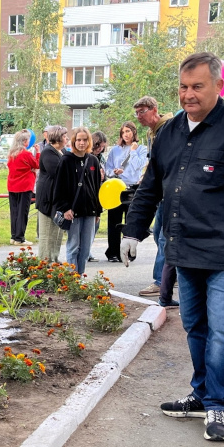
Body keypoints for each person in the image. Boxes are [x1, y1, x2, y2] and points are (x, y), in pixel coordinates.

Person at [121, 52, 224, 442]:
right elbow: (151, 187)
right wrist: (132, 231)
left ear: (218, 86)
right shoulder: (170, 132)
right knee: (195, 327)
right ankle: (201, 394)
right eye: (183, 87)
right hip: (185, 251)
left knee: (223, 331)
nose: (188, 94)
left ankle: (217, 405)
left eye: (197, 86)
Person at [133, 96, 173, 297]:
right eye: (136, 113)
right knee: (158, 234)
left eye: (142, 111)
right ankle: (170, 274)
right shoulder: (151, 132)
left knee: (165, 237)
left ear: (154, 109)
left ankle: (161, 281)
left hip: (170, 192)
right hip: (160, 192)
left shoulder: (169, 128)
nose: (139, 116)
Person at [53, 128, 102, 275]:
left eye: (85, 140)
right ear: (74, 141)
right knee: (74, 246)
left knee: (86, 248)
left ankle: (80, 276)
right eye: (79, 140)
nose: (82, 143)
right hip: (72, 211)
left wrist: (98, 210)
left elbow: (97, 187)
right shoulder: (66, 160)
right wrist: (65, 208)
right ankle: (72, 278)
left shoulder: (93, 160)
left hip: (90, 210)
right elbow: (59, 187)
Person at [104, 122, 148, 262]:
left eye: (128, 131)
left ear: (134, 132)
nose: (126, 134)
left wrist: (133, 151)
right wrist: (114, 172)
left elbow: (138, 166)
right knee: (114, 221)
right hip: (117, 187)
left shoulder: (141, 149)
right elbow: (107, 168)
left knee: (131, 221)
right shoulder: (115, 150)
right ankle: (113, 252)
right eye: (123, 132)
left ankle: (128, 252)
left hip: (132, 188)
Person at [36, 126, 68, 261]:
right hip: (47, 198)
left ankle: (54, 258)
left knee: (57, 231)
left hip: (58, 197)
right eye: (65, 136)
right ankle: (45, 261)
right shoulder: (48, 152)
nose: (67, 138)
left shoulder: (62, 151)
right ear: (58, 137)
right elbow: (58, 173)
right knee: (47, 232)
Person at [6, 129, 39, 245]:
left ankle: (14, 236)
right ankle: (20, 238)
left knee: (14, 211)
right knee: (22, 212)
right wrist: (38, 153)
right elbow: (37, 164)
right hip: (25, 186)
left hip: (12, 185)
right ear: (25, 141)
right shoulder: (26, 154)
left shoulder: (11, 154)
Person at [88, 131, 108, 263]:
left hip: (98, 193)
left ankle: (88, 249)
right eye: (98, 146)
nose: (100, 149)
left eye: (102, 147)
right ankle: (84, 250)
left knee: (96, 223)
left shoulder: (101, 158)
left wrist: (104, 177)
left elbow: (105, 175)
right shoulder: (87, 156)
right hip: (89, 192)